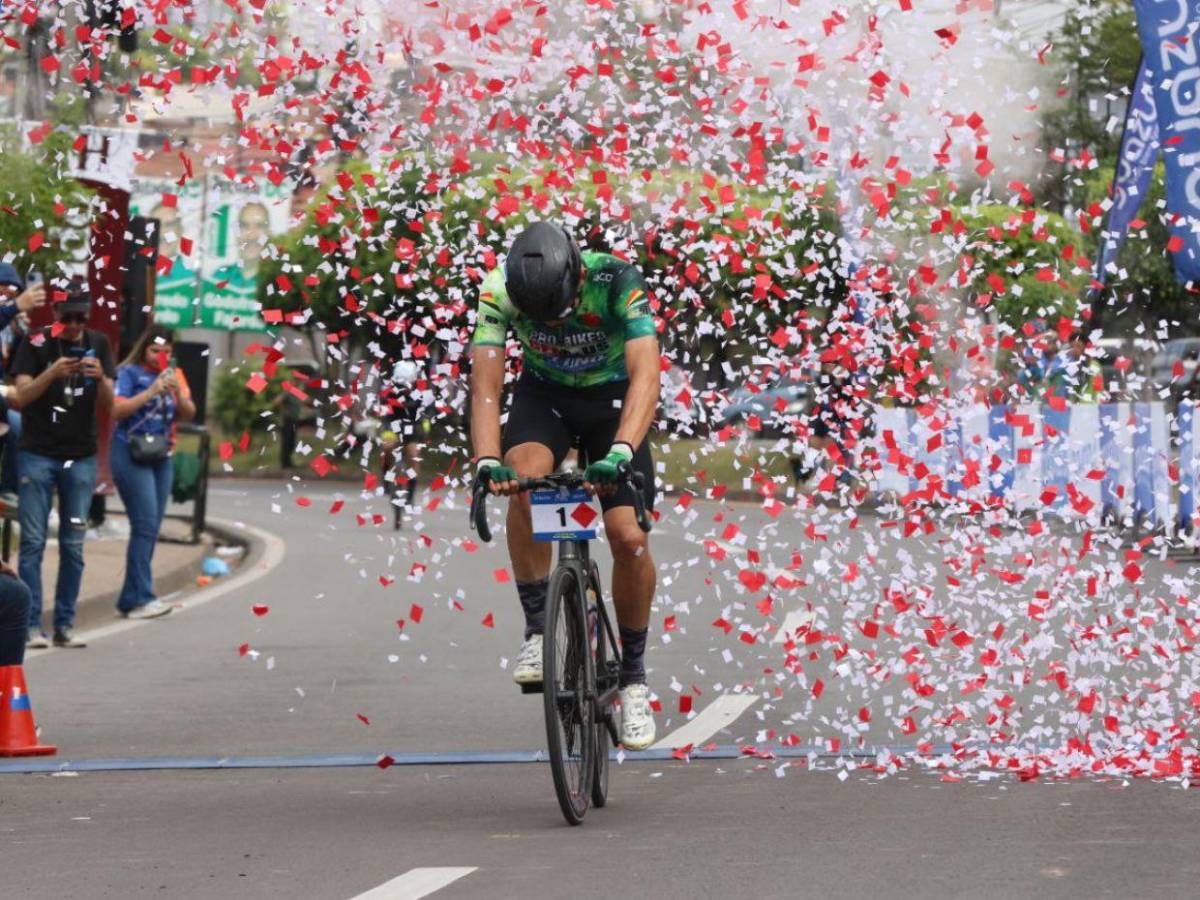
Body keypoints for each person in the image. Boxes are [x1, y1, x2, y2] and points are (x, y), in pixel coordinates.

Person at [470, 221, 660, 750]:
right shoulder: (497, 288)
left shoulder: (618, 280)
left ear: (578, 273)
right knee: (523, 475)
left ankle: (634, 679)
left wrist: (621, 449)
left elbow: (646, 371)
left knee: (627, 536)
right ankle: (537, 629)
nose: (552, 323)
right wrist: (487, 460)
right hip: (545, 399)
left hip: (613, 405)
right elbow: (486, 385)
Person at [11, 279, 114, 648]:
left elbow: (111, 405)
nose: (73, 326)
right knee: (34, 543)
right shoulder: (36, 341)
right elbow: (19, 398)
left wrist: (100, 377)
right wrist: (51, 373)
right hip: (37, 453)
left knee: (73, 545)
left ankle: (65, 625)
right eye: (67, 317)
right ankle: (28, 627)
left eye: (80, 319)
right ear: (53, 313)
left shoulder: (98, 343)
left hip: (81, 458)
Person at [111, 324, 196, 620]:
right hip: (130, 451)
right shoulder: (128, 373)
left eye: (167, 351)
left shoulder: (175, 374)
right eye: (155, 350)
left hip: (162, 453)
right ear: (144, 348)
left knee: (150, 527)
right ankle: (141, 598)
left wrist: (176, 392)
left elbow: (189, 412)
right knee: (145, 524)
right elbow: (116, 410)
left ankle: (131, 597)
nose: (160, 356)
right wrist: (151, 391)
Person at [0, 266, 47, 502]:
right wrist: (14, 307)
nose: (10, 293)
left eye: (15, 291)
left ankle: (9, 489)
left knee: (22, 427)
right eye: (5, 287)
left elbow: (12, 367)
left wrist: (20, 335)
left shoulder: (8, 323)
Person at [379, 359, 425, 530]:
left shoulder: (420, 392)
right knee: (387, 448)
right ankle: (386, 480)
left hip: (412, 427)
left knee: (413, 454)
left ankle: (411, 492)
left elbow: (427, 411)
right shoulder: (388, 392)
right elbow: (383, 412)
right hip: (392, 425)